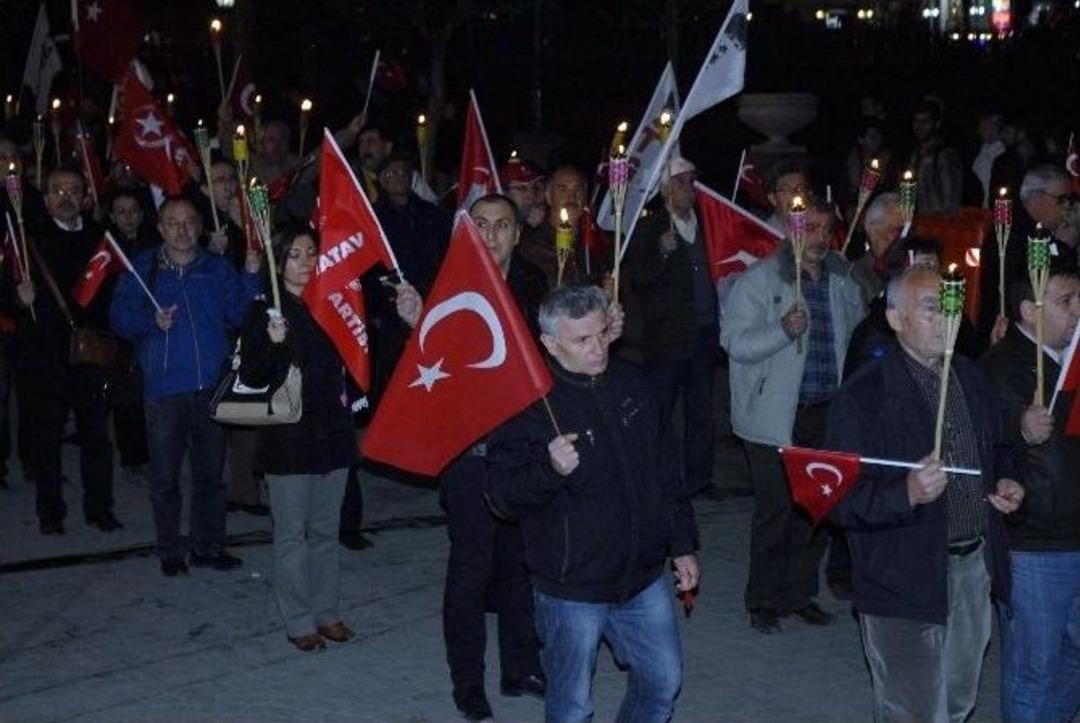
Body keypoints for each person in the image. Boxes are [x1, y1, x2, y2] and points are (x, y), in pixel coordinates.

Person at [487, 284, 697, 723]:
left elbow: (666, 469)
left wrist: (681, 543)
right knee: (571, 706)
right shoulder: (529, 405)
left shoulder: (632, 383)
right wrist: (549, 469)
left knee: (663, 681)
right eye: (582, 340)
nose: (598, 348)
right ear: (549, 343)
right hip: (572, 589)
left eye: (602, 334)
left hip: (642, 575)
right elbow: (502, 498)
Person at [826, 266, 1024, 723]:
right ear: (895, 318)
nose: (946, 319)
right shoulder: (863, 397)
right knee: (911, 713)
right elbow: (839, 501)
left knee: (956, 705)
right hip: (902, 579)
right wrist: (907, 493)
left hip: (971, 570)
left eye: (951, 307)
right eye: (932, 308)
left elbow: (997, 451)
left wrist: (1006, 484)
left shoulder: (971, 379)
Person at [395, 193, 551, 721]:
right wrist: (417, 323)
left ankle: (519, 668)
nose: (490, 234)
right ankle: (468, 684)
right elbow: (429, 374)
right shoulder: (447, 285)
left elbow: (555, 353)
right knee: (469, 573)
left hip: (522, 452)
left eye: (501, 225)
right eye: (479, 224)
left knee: (520, 567)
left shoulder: (533, 284)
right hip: (470, 457)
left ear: (516, 233)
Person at [721, 196, 865, 633]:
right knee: (775, 511)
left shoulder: (843, 283)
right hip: (774, 415)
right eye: (810, 228)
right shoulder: (761, 281)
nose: (818, 238)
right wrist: (782, 330)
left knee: (817, 510)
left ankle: (799, 592)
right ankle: (762, 598)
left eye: (825, 229)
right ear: (791, 230)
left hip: (827, 410)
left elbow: (858, 340)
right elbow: (734, 343)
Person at [110, 197, 262, 576]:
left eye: (189, 222)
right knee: (166, 476)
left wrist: (250, 274)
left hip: (210, 384)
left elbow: (239, 312)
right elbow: (118, 318)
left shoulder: (215, 267)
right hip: (164, 389)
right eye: (173, 223)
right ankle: (170, 550)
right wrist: (150, 321)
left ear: (200, 227)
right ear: (160, 228)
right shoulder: (143, 268)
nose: (182, 230)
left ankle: (208, 545)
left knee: (211, 474)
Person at [237, 227, 358, 652]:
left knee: (326, 530)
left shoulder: (334, 304)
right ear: (279, 261)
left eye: (311, 253)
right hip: (288, 438)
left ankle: (327, 611)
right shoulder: (264, 311)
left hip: (334, 434)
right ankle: (298, 619)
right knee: (291, 534)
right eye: (295, 254)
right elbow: (250, 376)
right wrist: (271, 345)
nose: (305, 262)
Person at [981, 264, 1080, 723]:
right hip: (1035, 542)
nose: (1078, 311)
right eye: (1066, 301)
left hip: (1073, 531)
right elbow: (983, 440)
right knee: (1034, 670)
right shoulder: (1001, 366)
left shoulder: (1072, 358)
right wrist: (1018, 427)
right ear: (1028, 310)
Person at [5, 167, 120, 534]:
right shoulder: (28, 240)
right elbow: (5, 295)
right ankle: (50, 513)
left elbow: (114, 292)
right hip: (44, 357)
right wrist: (17, 299)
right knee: (47, 439)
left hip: (89, 356)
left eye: (73, 190)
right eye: (58, 190)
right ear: (45, 197)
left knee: (97, 438)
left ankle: (100, 508)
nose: (66, 197)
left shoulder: (101, 239)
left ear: (85, 195)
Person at [626, 157, 719, 498]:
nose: (689, 189)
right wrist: (661, 254)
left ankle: (700, 480)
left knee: (701, 412)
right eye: (681, 182)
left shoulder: (708, 224)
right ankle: (659, 477)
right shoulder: (650, 227)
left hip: (704, 332)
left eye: (692, 182)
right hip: (667, 337)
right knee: (662, 411)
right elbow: (638, 278)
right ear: (665, 188)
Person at [978, 164, 1079, 350]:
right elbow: (1029, 284)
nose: (1067, 207)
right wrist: (1063, 245)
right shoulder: (1015, 233)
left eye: (1070, 200)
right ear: (1036, 197)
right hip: (1015, 336)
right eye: (1061, 199)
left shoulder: (1031, 230)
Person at [518, 165, 592, 289]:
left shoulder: (596, 246)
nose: (572, 197)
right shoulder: (531, 248)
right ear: (548, 196)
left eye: (578, 189)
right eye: (562, 189)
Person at [908, 100, 964, 214]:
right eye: (916, 121)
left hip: (939, 225)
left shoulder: (945, 155)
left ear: (937, 123)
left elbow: (952, 200)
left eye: (925, 121)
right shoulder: (915, 154)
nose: (919, 126)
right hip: (920, 224)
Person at [763, 160, 811, 236]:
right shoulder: (766, 237)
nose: (795, 194)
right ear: (773, 198)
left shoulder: (817, 231)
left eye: (800, 188)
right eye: (786, 189)